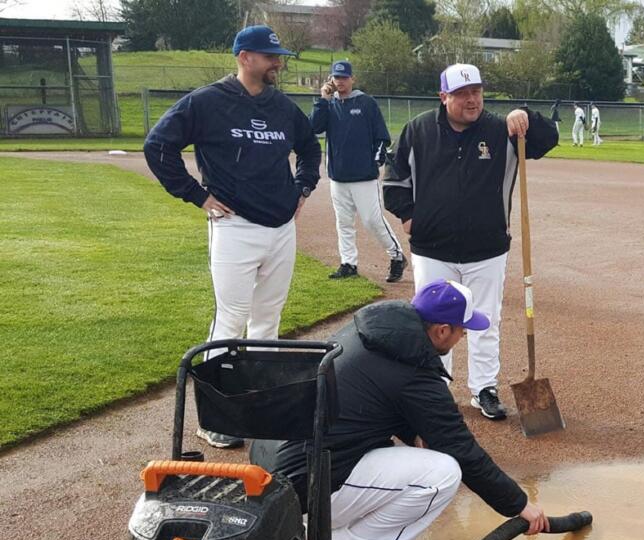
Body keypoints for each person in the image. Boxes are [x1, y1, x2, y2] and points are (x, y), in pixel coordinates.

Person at [257, 281, 552, 540]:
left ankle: (313, 535)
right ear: (441, 331)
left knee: (401, 453)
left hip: (273, 467)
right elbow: (463, 451)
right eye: (461, 330)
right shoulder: (416, 375)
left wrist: (412, 432)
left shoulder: (373, 331)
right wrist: (518, 504)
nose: (463, 336)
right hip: (305, 490)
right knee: (441, 474)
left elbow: (375, 396)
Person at [144, 25, 320, 450]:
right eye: (269, 55)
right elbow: (158, 147)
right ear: (244, 57)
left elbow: (310, 148)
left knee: (268, 322)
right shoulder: (207, 102)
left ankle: (257, 407)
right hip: (235, 227)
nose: (277, 62)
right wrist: (196, 195)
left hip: (281, 228)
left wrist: (303, 186)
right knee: (230, 320)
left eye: (278, 55)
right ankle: (214, 416)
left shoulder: (282, 106)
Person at [382, 64, 558, 421]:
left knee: (486, 320)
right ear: (443, 97)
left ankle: (483, 389)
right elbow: (394, 179)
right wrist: (408, 215)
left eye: (476, 91)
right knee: (433, 322)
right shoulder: (418, 130)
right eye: (462, 93)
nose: (472, 99)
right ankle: (436, 387)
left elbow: (547, 140)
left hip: (487, 247)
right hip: (432, 247)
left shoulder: (501, 130)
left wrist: (528, 118)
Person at [311, 59, 405, 283]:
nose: (340, 81)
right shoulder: (329, 104)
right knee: (343, 222)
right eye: (337, 77)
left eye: (344, 77)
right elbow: (314, 127)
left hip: (363, 175)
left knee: (372, 220)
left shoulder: (366, 103)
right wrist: (322, 100)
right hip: (338, 176)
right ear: (331, 79)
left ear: (353, 79)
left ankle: (396, 255)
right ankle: (348, 263)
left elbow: (382, 136)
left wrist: (374, 162)